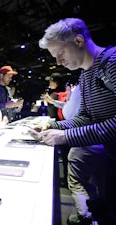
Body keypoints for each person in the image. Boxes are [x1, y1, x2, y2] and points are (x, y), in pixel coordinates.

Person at [37, 18, 116, 225]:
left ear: (79, 41)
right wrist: (52, 126)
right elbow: (84, 118)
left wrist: (65, 135)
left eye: (60, 54)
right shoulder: (85, 76)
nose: (58, 61)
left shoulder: (112, 62)